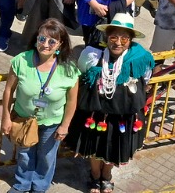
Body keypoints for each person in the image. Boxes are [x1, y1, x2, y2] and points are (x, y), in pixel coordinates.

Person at [65, 14, 155, 192]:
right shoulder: (92, 54)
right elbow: (83, 71)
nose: (118, 43)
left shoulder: (140, 58)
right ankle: (95, 174)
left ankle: (106, 174)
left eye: (124, 38)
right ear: (107, 37)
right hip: (96, 111)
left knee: (116, 144)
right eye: (113, 37)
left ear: (130, 40)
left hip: (124, 113)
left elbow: (145, 79)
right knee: (94, 143)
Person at [0, 18, 79, 193]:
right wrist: (6, 117)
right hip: (24, 118)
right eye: (42, 39)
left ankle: (39, 187)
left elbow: (72, 101)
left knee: (47, 156)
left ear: (60, 44)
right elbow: (8, 90)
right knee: (25, 154)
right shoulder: (21, 61)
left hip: (52, 123)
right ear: (36, 39)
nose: (45, 44)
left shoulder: (69, 70)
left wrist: (65, 125)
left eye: (52, 41)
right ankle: (22, 184)